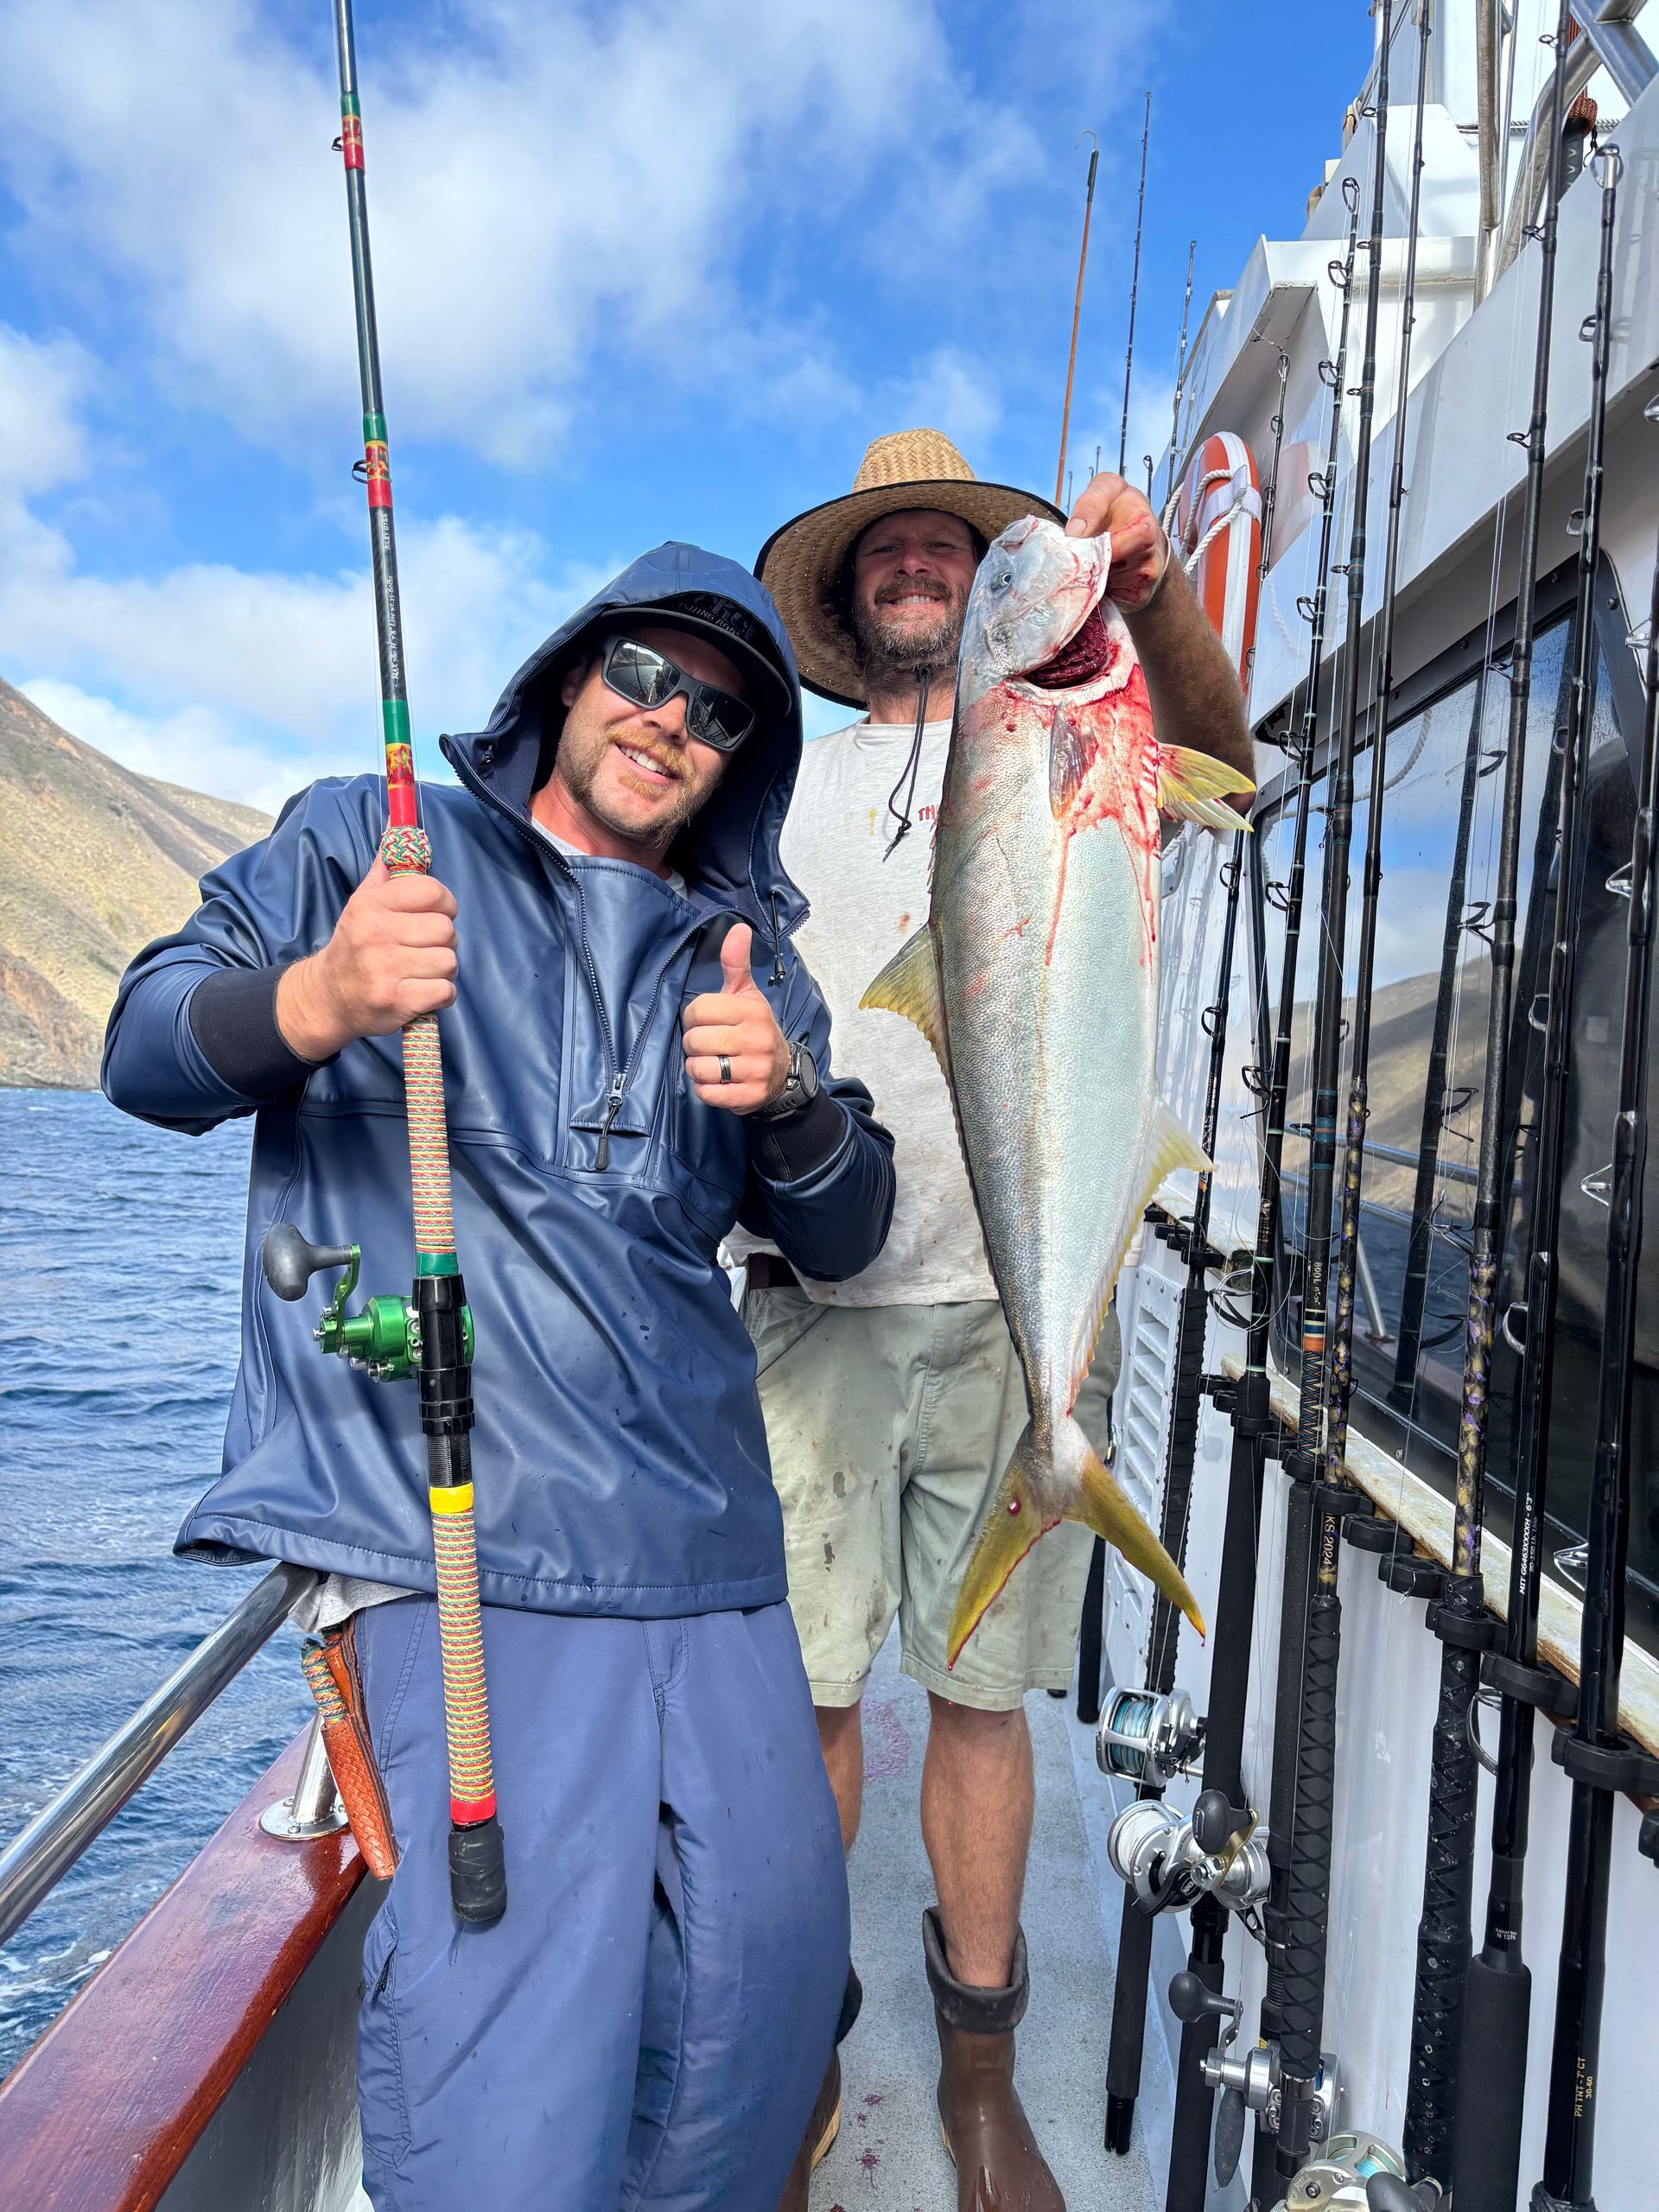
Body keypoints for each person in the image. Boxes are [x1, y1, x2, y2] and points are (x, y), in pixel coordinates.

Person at [101, 545, 896, 2212]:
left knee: (767, 1983)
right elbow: (146, 1045)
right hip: (457, 1543)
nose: (672, 719)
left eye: (722, 710)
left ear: (742, 760)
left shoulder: (741, 956)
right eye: (646, 674)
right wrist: (318, 997)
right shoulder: (367, 842)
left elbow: (846, 1233)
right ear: (569, 672)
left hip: (711, 1547)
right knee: (522, 2051)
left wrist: (800, 1108)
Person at [745, 430, 1254, 2209]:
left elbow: (1237, 759)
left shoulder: (1102, 738)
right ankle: (793, 2052)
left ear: (989, 590)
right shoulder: (776, 791)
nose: (918, 566)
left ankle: (976, 2072)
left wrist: (1164, 589)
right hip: (809, 1309)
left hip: (1017, 1313)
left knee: (980, 1704)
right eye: (884, 550)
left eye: (948, 546)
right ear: (851, 594)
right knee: (808, 1698)